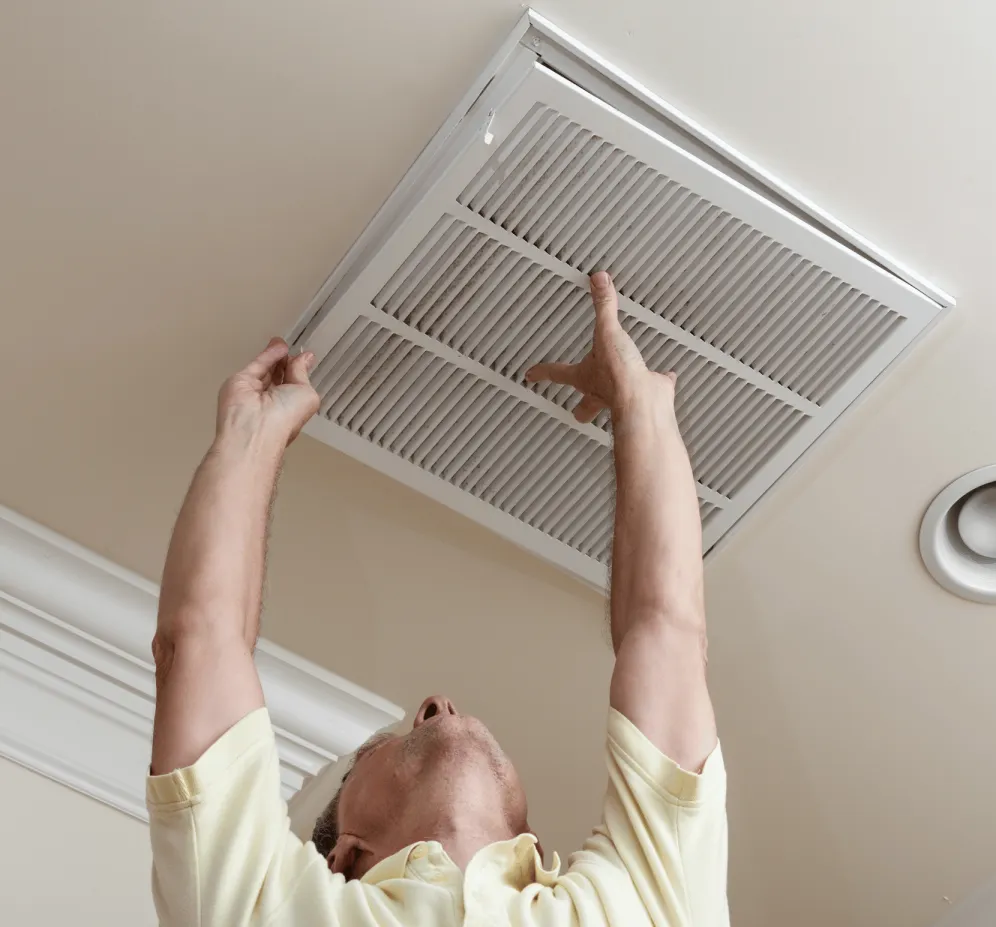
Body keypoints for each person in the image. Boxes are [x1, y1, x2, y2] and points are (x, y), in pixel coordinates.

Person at [147, 272, 728, 926]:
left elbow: (197, 645)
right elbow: (668, 634)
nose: (437, 705)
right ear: (345, 855)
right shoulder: (639, 909)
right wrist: (639, 408)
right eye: (381, 747)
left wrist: (247, 439)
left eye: (382, 742)